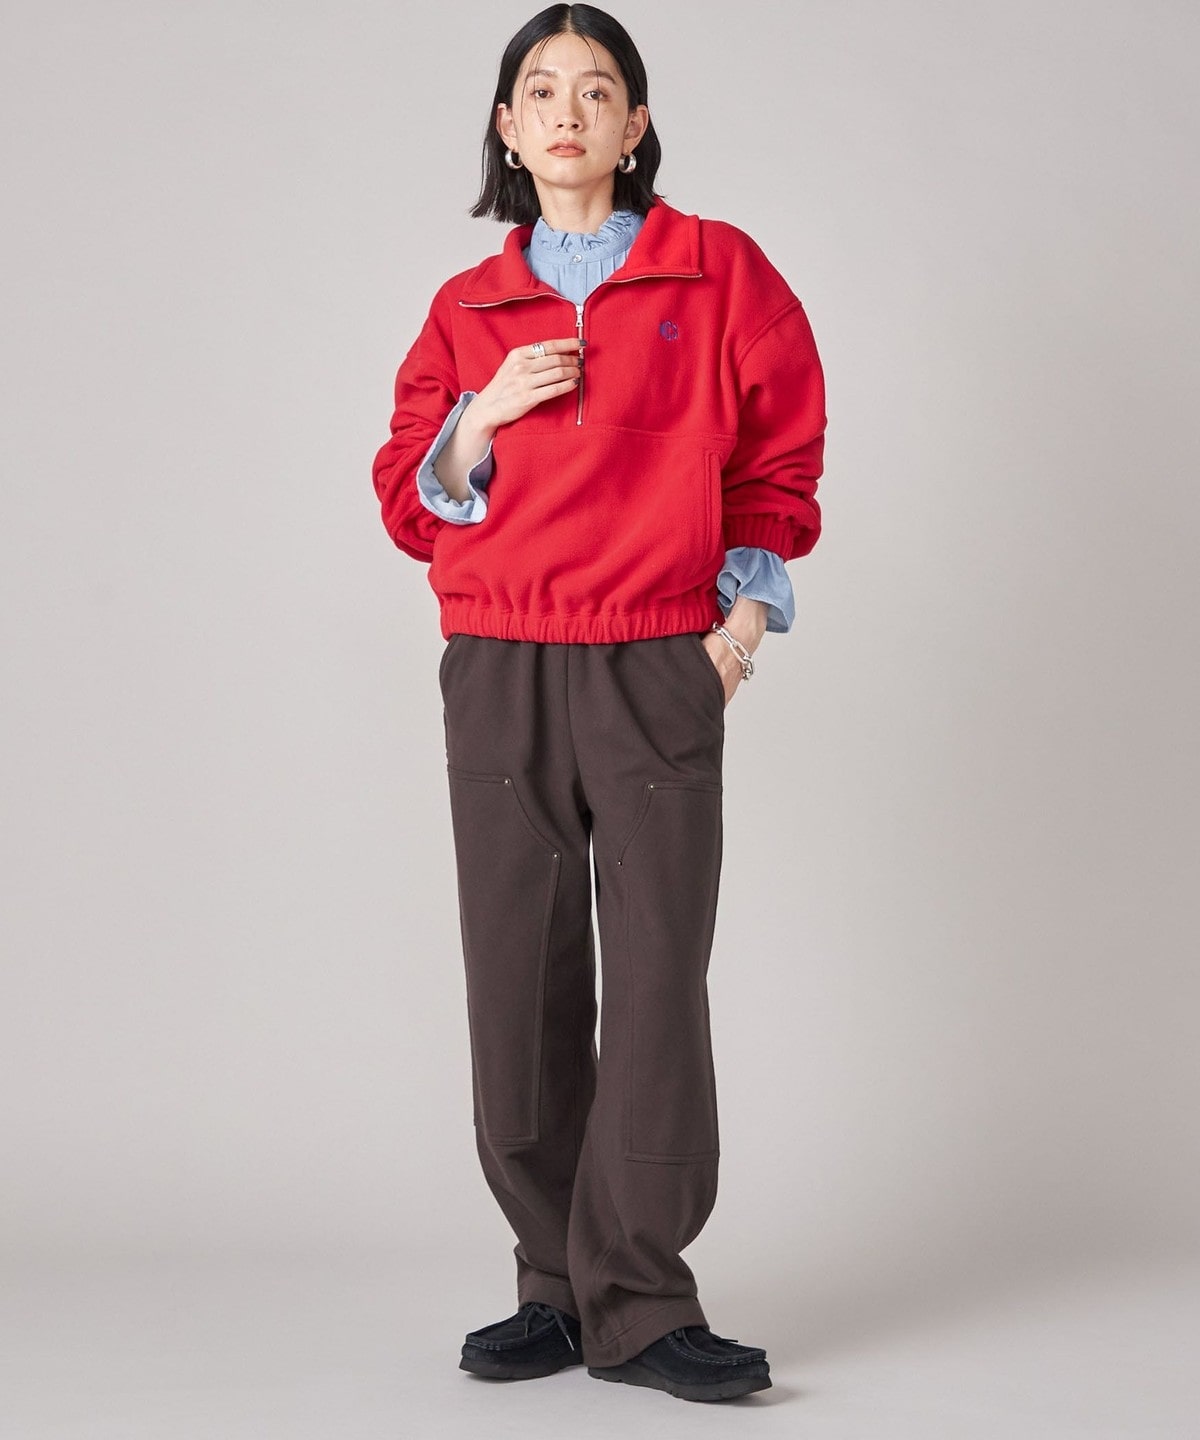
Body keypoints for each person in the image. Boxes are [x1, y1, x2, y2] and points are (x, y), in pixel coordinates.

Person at [371, 3, 826, 1404]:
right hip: (499, 658)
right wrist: (485, 411)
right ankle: (555, 1287)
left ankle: (643, 1298)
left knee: (657, 977)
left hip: (654, 657)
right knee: (516, 976)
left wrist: (738, 626)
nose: (567, 111)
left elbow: (778, 456)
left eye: (597, 89)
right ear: (507, 129)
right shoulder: (467, 308)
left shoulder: (719, 271)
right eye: (540, 89)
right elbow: (410, 501)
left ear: (636, 124)